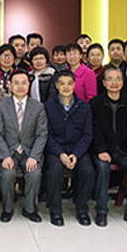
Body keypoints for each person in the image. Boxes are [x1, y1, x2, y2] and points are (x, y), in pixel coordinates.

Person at [90, 67, 127, 228]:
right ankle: (101, 211)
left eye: (118, 79)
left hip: (125, 150)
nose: (114, 83)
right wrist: (101, 150)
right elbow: (94, 130)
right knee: (103, 167)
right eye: (110, 79)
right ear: (104, 83)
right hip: (102, 150)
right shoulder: (95, 103)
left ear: (123, 83)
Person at [0, 70, 48, 223]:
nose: (20, 86)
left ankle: (30, 209)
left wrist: (34, 157)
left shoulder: (38, 107)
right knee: (7, 174)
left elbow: (41, 134)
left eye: (24, 83)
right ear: (10, 85)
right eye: (16, 83)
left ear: (29, 85)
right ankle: (7, 208)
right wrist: (5, 156)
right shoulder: (1, 106)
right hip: (9, 151)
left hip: (29, 152)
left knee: (34, 173)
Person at [44, 71, 95, 226]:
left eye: (69, 83)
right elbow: (46, 134)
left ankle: (82, 209)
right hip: (56, 149)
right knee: (55, 170)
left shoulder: (84, 107)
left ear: (74, 85)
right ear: (56, 86)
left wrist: (76, 154)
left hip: (77, 149)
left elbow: (87, 134)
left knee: (88, 171)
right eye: (62, 84)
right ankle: (55, 210)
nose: (66, 87)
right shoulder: (48, 106)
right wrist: (60, 154)